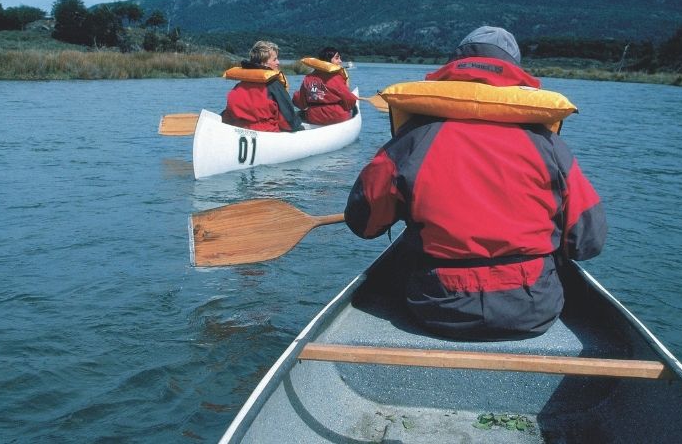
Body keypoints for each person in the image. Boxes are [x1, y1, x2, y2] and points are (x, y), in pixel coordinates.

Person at [344, 26, 607, 341]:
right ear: (515, 74)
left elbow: (363, 223)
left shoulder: (412, 141)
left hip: (438, 308)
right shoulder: (551, 148)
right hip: (534, 308)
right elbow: (588, 242)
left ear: (454, 68)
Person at [221, 40, 304, 132]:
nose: (278, 62)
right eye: (274, 59)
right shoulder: (274, 85)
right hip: (267, 134)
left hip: (239, 131)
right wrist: (299, 127)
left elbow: (228, 116)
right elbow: (288, 122)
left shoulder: (239, 86)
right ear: (263, 63)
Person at [292, 47, 359, 125]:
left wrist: (295, 96)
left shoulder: (308, 78)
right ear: (328, 60)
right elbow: (350, 101)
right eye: (337, 58)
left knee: (299, 114)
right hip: (337, 117)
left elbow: (301, 103)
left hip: (314, 117)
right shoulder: (337, 78)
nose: (340, 61)